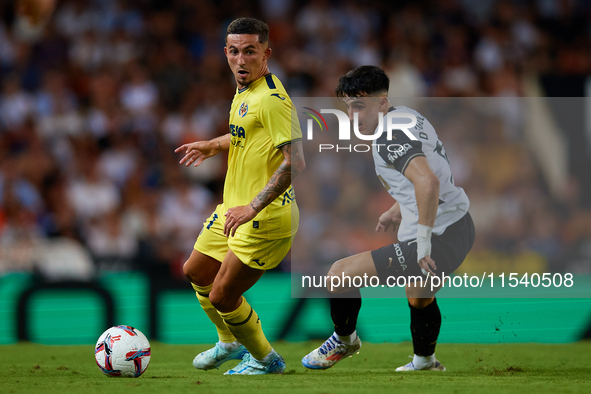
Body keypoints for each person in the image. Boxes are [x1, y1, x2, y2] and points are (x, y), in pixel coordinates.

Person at [301, 66, 474, 372]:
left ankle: (344, 340)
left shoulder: (387, 135)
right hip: (460, 224)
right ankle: (425, 362)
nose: (353, 116)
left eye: (360, 106)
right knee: (419, 296)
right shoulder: (408, 116)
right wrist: (397, 208)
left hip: (436, 235)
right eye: (349, 107)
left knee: (338, 276)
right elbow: (432, 171)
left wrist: (423, 243)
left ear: (381, 103)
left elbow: (428, 183)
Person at [175, 17, 305, 375]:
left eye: (250, 51)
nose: (241, 59)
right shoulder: (243, 90)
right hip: (234, 208)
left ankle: (266, 360)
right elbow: (245, 133)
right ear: (226, 53)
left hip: (265, 215)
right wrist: (215, 145)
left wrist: (253, 206)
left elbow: (296, 162)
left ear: (266, 53)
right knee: (196, 270)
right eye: (234, 51)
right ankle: (229, 341)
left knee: (222, 295)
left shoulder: (272, 100)